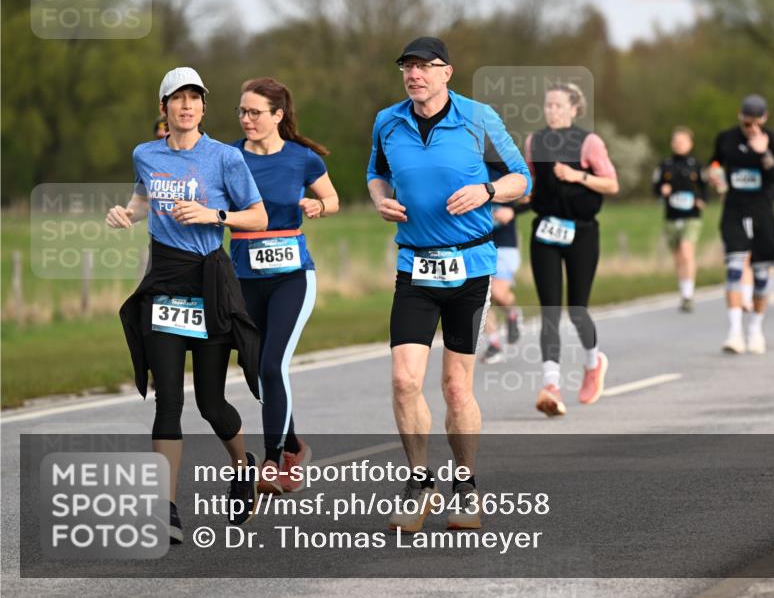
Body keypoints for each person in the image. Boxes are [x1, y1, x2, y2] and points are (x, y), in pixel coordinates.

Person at [366, 37, 530, 532]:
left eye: (424, 67)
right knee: (403, 380)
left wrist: (487, 189)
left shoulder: (479, 118)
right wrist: (380, 199)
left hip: (470, 268)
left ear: (447, 73)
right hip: (415, 266)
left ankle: (466, 485)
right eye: (407, 67)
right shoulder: (387, 121)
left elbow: (521, 178)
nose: (414, 75)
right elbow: (375, 172)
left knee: (456, 388)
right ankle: (420, 482)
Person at [109, 67, 268, 544]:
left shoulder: (224, 158)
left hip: (208, 283)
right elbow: (143, 198)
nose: (186, 106)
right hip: (163, 283)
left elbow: (258, 217)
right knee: (168, 400)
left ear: (203, 107)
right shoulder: (146, 154)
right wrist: (126, 213)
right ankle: (167, 509)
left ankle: (242, 466)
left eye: (194, 98)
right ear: (164, 108)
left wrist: (213, 214)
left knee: (211, 403)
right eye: (178, 99)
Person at [231, 77, 340, 495]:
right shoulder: (229, 157)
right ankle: (294, 444)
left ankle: (273, 460)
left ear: (277, 115)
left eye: (255, 112)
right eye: (242, 111)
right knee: (254, 368)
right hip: (243, 277)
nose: (246, 119)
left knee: (272, 364)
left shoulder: (302, 158)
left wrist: (319, 205)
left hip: (292, 277)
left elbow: (332, 199)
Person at [527, 82, 619, 416]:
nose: (551, 111)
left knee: (577, 309)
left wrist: (577, 176)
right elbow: (531, 184)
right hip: (545, 231)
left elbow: (611, 184)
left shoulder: (589, 142)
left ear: (574, 109)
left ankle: (593, 363)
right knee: (550, 310)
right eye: (548, 105)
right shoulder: (534, 141)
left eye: (558, 105)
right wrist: (509, 201)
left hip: (582, 232)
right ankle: (551, 385)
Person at [707, 94, 774, 354]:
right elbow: (715, 161)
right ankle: (734, 333)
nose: (751, 128)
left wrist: (764, 152)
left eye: (756, 123)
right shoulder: (726, 138)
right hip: (734, 209)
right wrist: (714, 174)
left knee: (762, 275)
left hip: (762, 211)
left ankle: (755, 329)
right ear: (740, 117)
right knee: (734, 267)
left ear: (764, 119)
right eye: (746, 123)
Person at [652, 126, 707, 312]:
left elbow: (705, 187)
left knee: (686, 251)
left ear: (690, 144)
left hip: (691, 216)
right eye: (676, 141)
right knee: (677, 256)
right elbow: (655, 187)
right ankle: (684, 291)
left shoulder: (696, 165)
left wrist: (701, 200)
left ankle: (689, 294)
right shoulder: (665, 165)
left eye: (682, 141)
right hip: (671, 216)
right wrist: (662, 191)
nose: (678, 144)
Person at [480, 199, 527, 364]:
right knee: (481, 297)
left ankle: (512, 312)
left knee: (497, 293)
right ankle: (494, 344)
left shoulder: (506, 182)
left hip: (504, 246)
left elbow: (532, 197)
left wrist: (513, 211)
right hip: (477, 246)